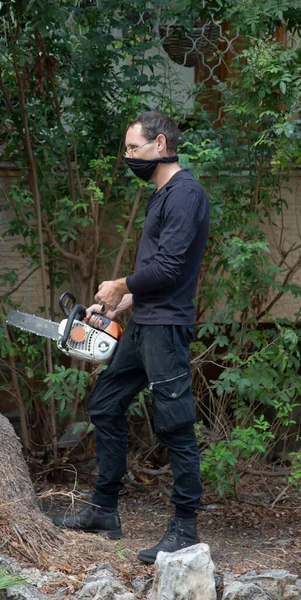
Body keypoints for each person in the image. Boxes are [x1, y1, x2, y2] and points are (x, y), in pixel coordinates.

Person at [53, 111, 210, 564]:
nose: (128, 157)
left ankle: (185, 529)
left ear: (160, 144)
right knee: (104, 403)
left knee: (175, 424)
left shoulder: (185, 195)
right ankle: (104, 510)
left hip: (166, 330)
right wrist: (122, 305)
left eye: (133, 148)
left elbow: (170, 269)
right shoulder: (161, 196)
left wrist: (120, 284)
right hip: (144, 323)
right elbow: (155, 276)